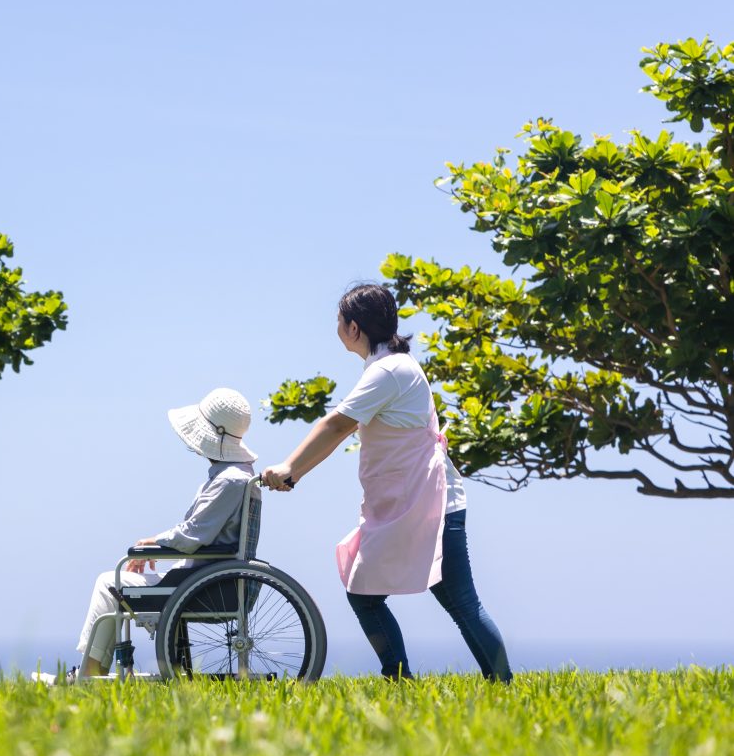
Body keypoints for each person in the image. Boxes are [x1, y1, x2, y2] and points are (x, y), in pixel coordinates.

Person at [260, 283, 512, 681]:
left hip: (431, 504)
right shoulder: (387, 368)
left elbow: (337, 424)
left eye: (339, 321)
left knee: (452, 602)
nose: (337, 328)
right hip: (416, 502)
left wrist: (290, 468)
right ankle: (407, 681)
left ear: (354, 328)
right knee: (379, 594)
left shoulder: (389, 371)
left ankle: (488, 685)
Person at [43, 388, 260, 683]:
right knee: (112, 581)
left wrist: (153, 546)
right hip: (209, 579)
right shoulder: (238, 475)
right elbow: (200, 533)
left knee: (110, 582)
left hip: (202, 586)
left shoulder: (229, 480)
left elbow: (193, 535)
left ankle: (89, 674)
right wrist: (157, 545)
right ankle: (89, 671)